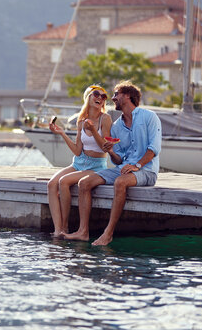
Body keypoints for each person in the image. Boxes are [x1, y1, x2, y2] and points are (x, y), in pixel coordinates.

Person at [64, 80, 161, 246]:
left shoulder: (149, 117)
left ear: (128, 96)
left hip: (146, 170)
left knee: (120, 182)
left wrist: (136, 165)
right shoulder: (117, 127)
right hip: (123, 168)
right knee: (84, 183)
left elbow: (153, 149)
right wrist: (110, 151)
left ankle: (108, 234)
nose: (112, 98)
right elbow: (119, 160)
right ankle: (83, 231)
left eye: (116, 94)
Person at [47, 85, 112, 237]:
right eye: (96, 94)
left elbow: (105, 148)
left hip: (96, 166)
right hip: (79, 162)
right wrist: (62, 133)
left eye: (103, 97)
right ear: (88, 97)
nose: (100, 98)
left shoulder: (105, 118)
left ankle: (65, 226)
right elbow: (77, 150)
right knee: (51, 184)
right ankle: (58, 230)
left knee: (64, 181)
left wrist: (94, 131)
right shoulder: (81, 121)